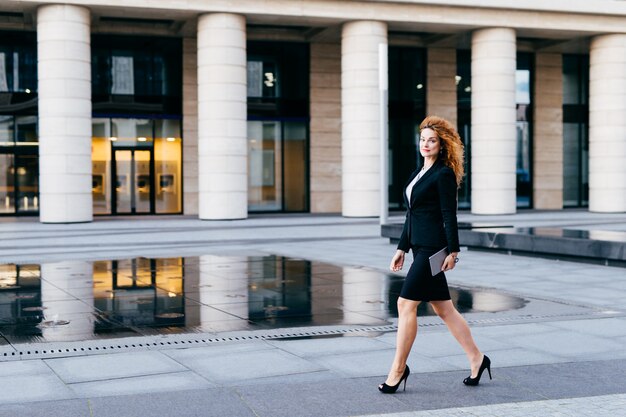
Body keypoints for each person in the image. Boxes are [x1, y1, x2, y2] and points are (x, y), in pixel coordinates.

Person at [378, 115, 491, 394]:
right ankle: (478, 359)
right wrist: (401, 247)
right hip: (418, 248)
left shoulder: (443, 174)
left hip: (433, 250)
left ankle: (398, 370)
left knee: (406, 305)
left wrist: (454, 251)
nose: (426, 144)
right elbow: (411, 214)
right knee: (444, 309)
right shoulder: (419, 172)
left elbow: (448, 214)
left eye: (432, 141)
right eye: (423, 140)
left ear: (442, 145)